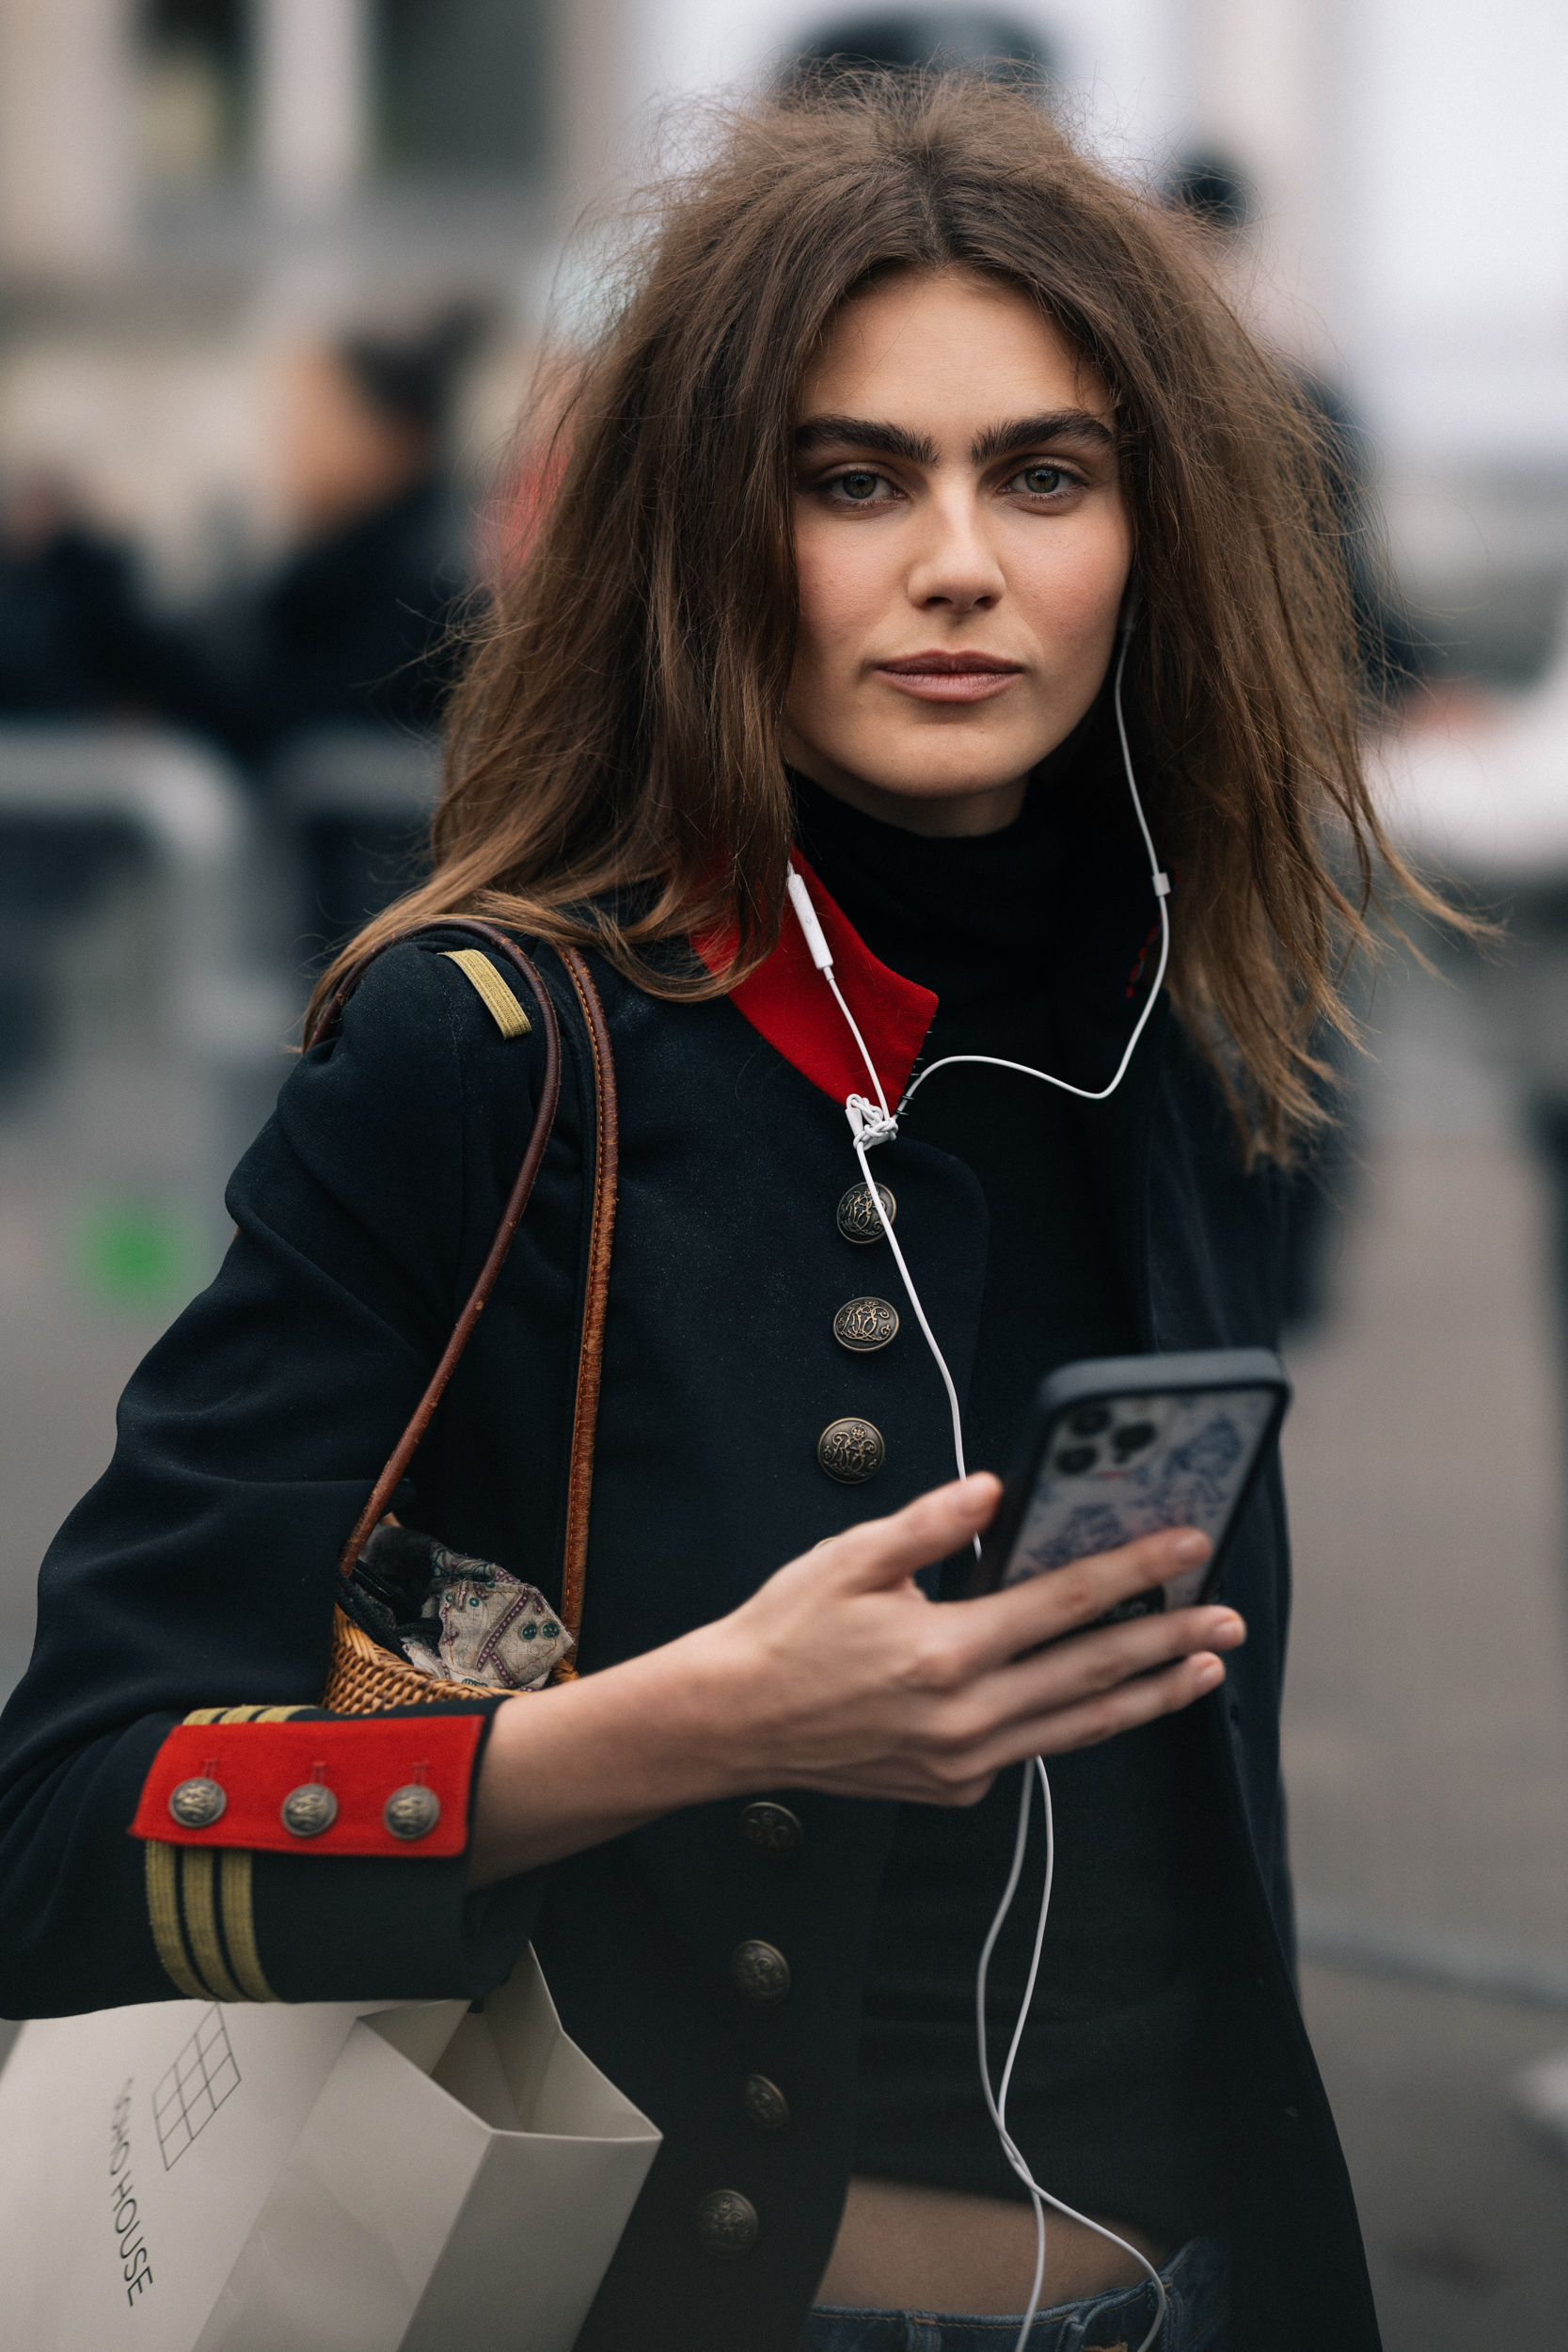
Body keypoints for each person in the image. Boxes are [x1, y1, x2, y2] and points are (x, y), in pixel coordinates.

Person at [0, 74, 1444, 2351]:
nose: (957, 560)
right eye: (852, 478)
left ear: (1155, 530)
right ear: (696, 527)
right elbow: (65, 1832)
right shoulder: (487, 1050)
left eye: (1043, 474)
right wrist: (695, 1722)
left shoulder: (1194, 1010)